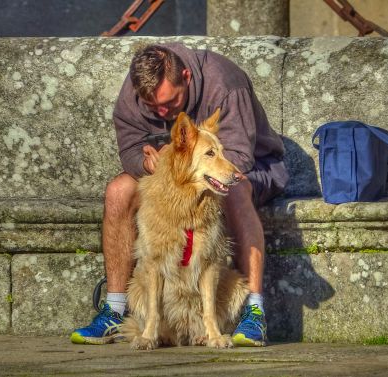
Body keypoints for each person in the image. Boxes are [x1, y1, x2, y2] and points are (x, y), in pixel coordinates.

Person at [70, 43, 288, 347]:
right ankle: (115, 309)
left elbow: (239, 156)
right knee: (118, 191)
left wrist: (185, 169)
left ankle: (254, 310)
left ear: (185, 76)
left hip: (250, 167)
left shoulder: (225, 83)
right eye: (153, 107)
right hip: (174, 173)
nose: (162, 113)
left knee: (236, 191)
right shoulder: (136, 92)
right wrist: (146, 162)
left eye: (170, 103)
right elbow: (130, 151)